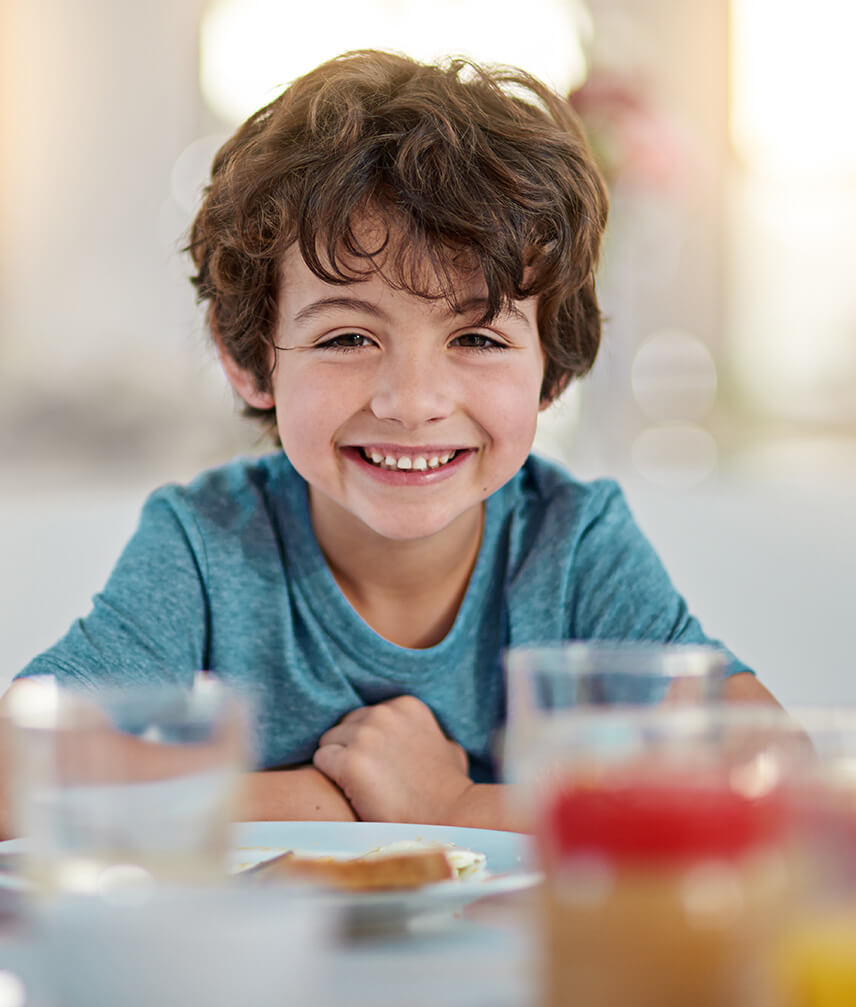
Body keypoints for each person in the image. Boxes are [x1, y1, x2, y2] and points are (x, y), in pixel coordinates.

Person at [0, 50, 778, 838]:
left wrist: (458, 806)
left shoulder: (572, 546)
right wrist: (312, 803)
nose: (412, 402)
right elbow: (14, 771)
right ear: (248, 357)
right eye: (345, 336)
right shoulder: (206, 547)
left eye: (476, 338)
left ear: (552, 365)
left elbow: (771, 779)